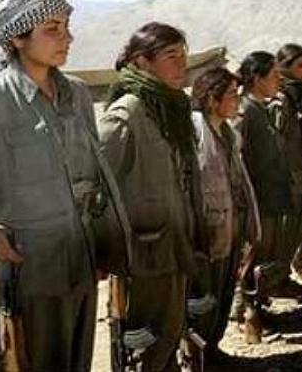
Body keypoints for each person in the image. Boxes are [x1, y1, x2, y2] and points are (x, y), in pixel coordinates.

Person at [0, 0, 130, 372]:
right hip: (27, 272)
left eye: (66, 27)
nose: (67, 38)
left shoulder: (77, 95)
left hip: (80, 261)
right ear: (17, 38)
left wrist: (103, 246)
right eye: (52, 29)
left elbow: (94, 179)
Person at [97, 22, 204, 372]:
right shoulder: (127, 114)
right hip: (143, 255)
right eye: (172, 56)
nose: (182, 64)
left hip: (174, 245)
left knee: (169, 334)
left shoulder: (172, 108)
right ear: (143, 62)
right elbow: (100, 185)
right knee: (145, 345)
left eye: (184, 55)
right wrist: (108, 251)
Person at [188, 67, 260, 360]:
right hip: (209, 230)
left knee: (225, 291)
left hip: (233, 225)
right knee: (205, 296)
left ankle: (213, 350)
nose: (237, 101)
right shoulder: (194, 131)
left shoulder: (229, 133)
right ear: (211, 98)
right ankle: (199, 357)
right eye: (231, 95)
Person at [234, 51, 294, 342]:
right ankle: (245, 314)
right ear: (257, 79)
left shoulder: (261, 108)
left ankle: (258, 307)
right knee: (251, 259)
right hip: (256, 200)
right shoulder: (244, 112)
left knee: (264, 258)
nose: (279, 80)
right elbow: (236, 159)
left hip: (269, 197)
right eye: (273, 75)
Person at [271, 44, 302, 277]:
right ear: (284, 67)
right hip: (288, 176)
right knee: (285, 232)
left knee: (299, 227)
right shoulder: (281, 100)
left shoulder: (301, 94)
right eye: (301, 65)